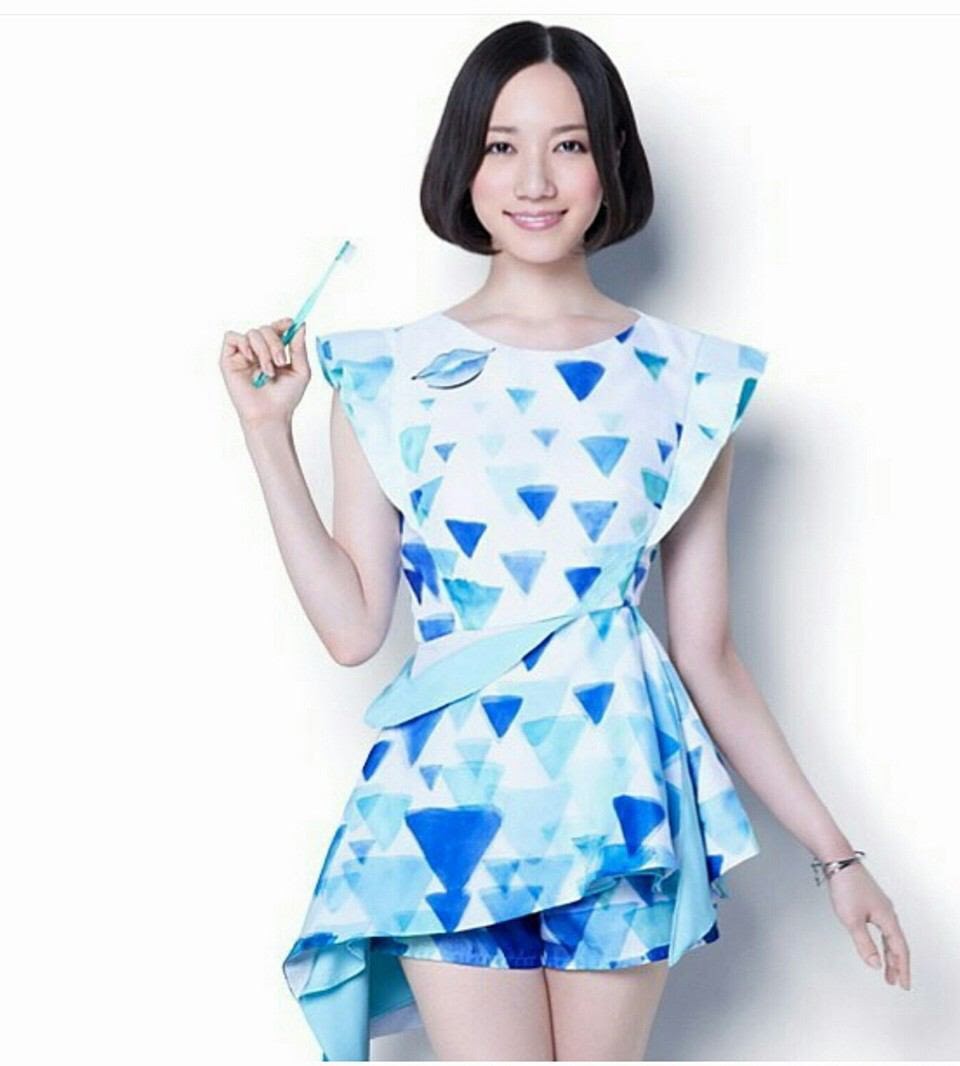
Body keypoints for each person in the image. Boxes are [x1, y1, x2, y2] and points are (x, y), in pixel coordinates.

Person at [220, 19, 911, 1063]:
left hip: (618, 797)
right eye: (502, 144)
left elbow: (708, 654)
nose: (535, 179)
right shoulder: (384, 373)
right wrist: (268, 435)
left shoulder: (686, 378)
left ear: (610, 163)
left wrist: (838, 857)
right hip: (448, 799)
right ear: (464, 162)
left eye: (570, 143)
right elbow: (355, 629)